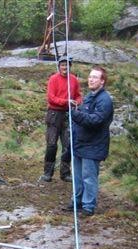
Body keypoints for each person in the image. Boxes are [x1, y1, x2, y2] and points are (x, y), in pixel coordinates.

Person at [67, 66, 114, 216]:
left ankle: (88, 206)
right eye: (90, 76)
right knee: (78, 177)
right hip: (80, 144)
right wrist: (76, 109)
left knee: (89, 178)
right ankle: (77, 202)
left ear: (102, 81)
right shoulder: (89, 96)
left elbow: (96, 121)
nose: (91, 79)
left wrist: (76, 115)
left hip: (93, 146)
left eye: (95, 77)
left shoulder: (104, 100)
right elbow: (83, 114)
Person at [39, 55, 82, 183]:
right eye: (62, 65)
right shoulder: (53, 79)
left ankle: (65, 173)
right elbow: (51, 98)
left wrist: (77, 102)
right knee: (52, 145)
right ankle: (47, 173)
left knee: (68, 146)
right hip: (53, 115)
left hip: (68, 115)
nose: (65, 67)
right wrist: (66, 101)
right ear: (59, 66)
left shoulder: (74, 79)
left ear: (70, 66)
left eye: (67, 65)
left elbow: (79, 96)